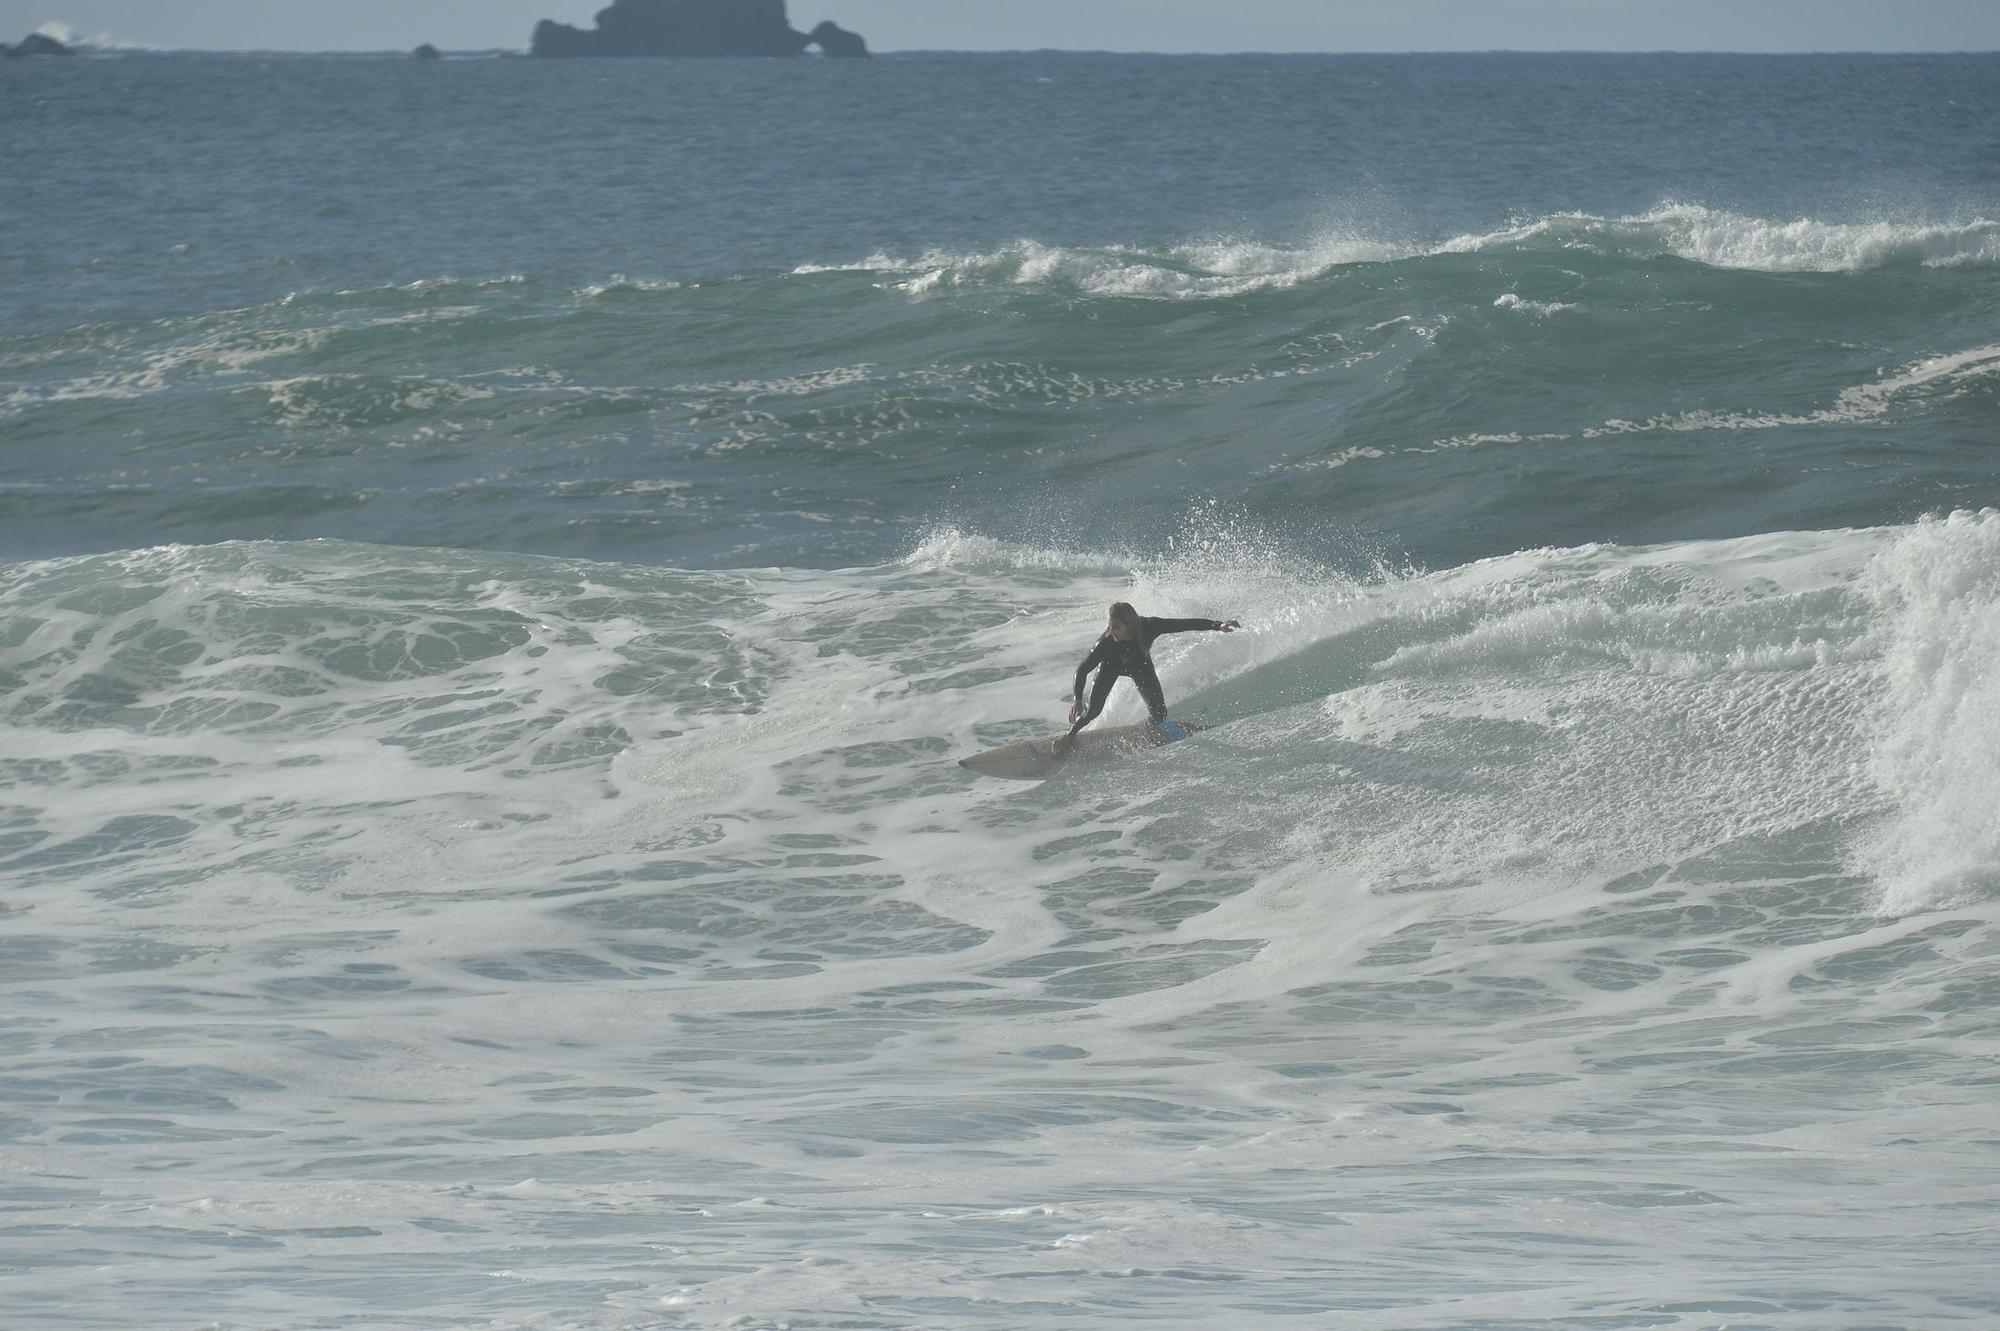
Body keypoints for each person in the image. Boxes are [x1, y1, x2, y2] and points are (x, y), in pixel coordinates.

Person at [1057, 602, 1240, 752]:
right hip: (1110, 666)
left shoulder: (1149, 626)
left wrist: (1217, 625)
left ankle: (1148, 729)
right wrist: (1077, 698)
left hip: (1140, 666)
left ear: (1129, 625)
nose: (1111, 632)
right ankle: (1070, 735)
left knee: (1160, 713)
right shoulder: (1105, 644)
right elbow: (1082, 669)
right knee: (1093, 711)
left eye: (1116, 628)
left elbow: (1184, 624)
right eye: (1109, 627)